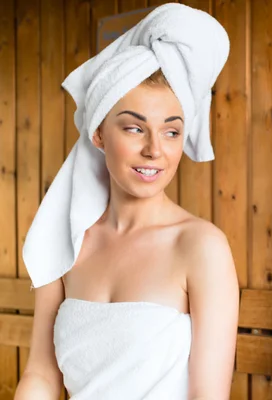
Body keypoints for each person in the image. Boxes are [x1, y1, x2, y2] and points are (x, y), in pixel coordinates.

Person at [14, 4, 238, 400]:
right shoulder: (66, 239)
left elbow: (209, 395)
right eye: (135, 128)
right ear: (98, 134)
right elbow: (41, 375)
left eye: (171, 132)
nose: (155, 150)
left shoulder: (201, 247)